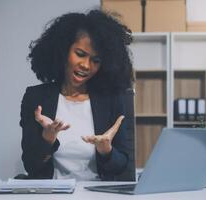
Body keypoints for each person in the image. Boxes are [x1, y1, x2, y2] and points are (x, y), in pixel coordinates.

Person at [20, 9, 134, 181]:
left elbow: (121, 167)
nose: (86, 65)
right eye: (80, 54)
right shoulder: (36, 98)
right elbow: (31, 165)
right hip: (52, 194)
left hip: (96, 195)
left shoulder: (111, 100)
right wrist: (47, 139)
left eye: (96, 60)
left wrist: (106, 151)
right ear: (64, 50)